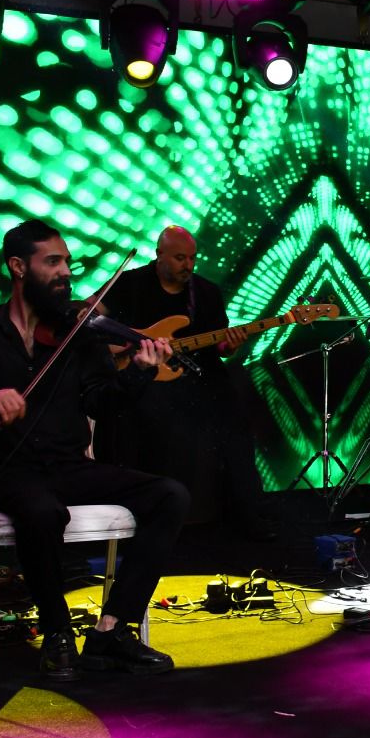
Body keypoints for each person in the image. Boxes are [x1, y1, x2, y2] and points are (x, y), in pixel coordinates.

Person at [0, 220, 190, 681]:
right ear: (18, 267)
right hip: (10, 472)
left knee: (170, 495)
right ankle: (58, 631)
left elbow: (101, 403)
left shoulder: (78, 335)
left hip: (70, 468)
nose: (65, 272)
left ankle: (111, 630)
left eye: (67, 263)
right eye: (53, 262)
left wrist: (140, 372)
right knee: (41, 511)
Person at [94, 226, 273, 540]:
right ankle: (152, 518)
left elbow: (220, 346)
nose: (187, 265)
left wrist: (229, 345)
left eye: (192, 258)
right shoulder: (131, 283)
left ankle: (247, 515)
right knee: (148, 420)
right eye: (179, 258)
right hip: (147, 378)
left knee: (237, 421)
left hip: (200, 378)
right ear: (159, 255)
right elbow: (91, 316)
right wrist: (119, 347)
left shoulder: (205, 292)